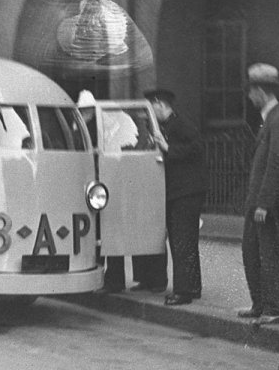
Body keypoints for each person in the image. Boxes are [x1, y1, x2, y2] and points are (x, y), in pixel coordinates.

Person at [143, 88, 207, 305]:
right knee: (185, 240)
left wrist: (167, 147)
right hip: (181, 192)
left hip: (185, 192)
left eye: (152, 106)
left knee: (182, 241)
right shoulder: (171, 125)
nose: (151, 112)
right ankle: (192, 286)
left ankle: (184, 291)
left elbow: (197, 148)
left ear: (159, 103)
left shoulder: (180, 124)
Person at [77, 90, 144, 293]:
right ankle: (107, 276)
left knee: (108, 232)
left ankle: (112, 278)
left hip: (103, 185)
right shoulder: (96, 126)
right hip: (100, 186)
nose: (85, 114)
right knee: (103, 233)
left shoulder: (96, 128)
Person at [238, 63, 279, 325]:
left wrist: (264, 203)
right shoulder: (271, 119)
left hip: (265, 204)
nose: (249, 96)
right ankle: (260, 304)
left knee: (267, 254)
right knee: (252, 251)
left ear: (262, 91)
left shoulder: (278, 119)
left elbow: (277, 162)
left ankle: (274, 306)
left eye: (251, 90)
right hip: (257, 202)